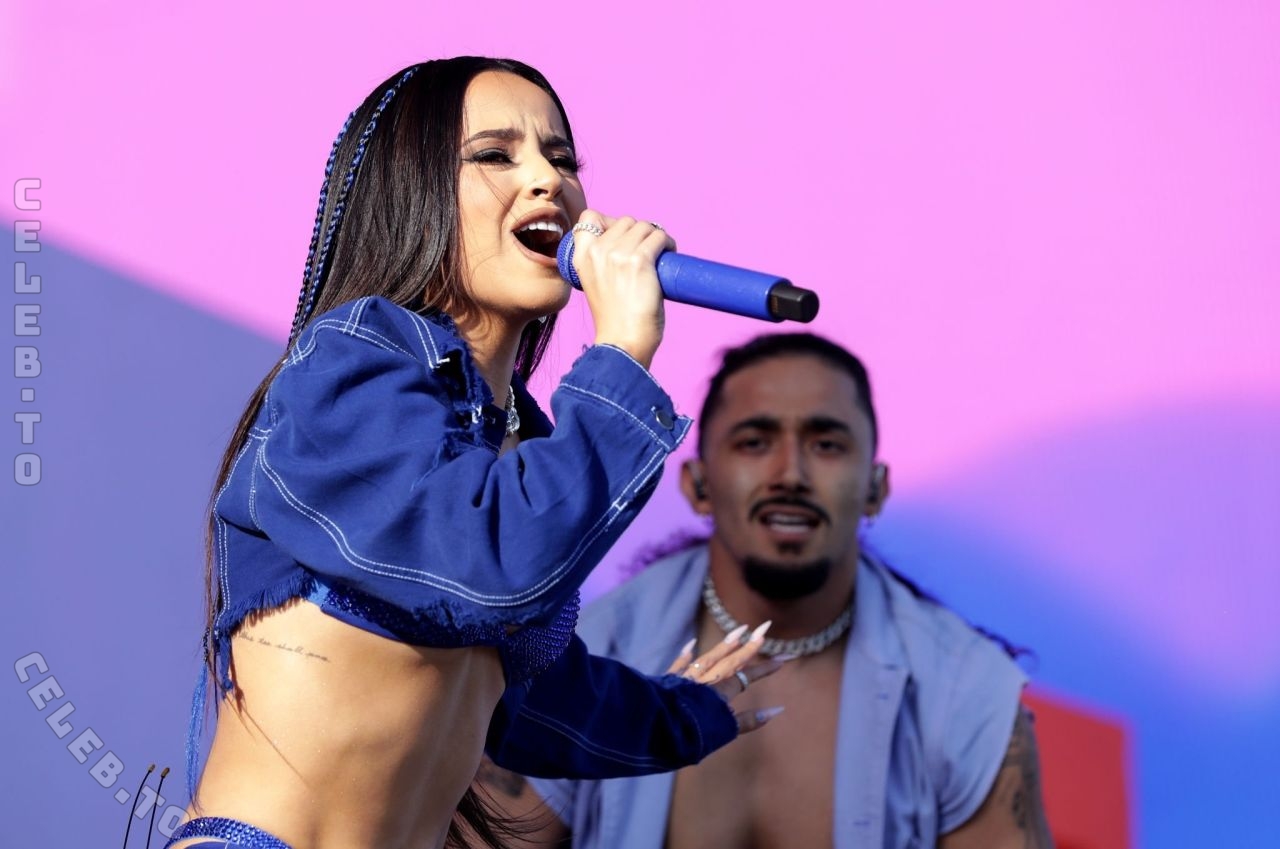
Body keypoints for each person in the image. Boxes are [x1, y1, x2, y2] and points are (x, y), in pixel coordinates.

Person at [169, 57, 785, 849]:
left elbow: (532, 696)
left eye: (562, 159)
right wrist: (622, 355)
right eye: (497, 155)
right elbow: (486, 569)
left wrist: (683, 713)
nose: (548, 181)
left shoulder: (520, 446)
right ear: (412, 192)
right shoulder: (351, 361)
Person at [482, 332, 1054, 848]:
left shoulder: (965, 690)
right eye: (755, 442)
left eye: (826, 444)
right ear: (698, 485)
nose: (790, 475)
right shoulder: (585, 650)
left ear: (875, 489)